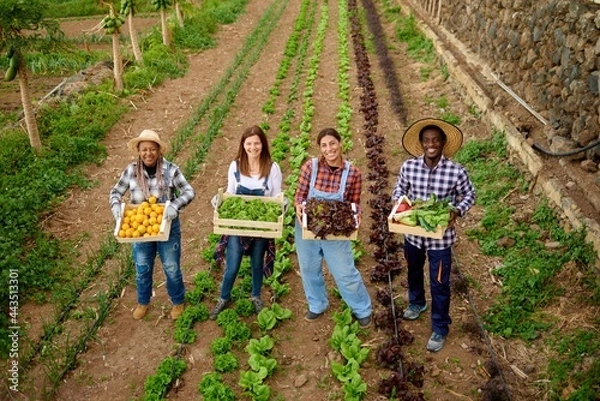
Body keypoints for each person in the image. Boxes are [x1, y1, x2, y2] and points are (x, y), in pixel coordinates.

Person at [391, 118, 475, 352]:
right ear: (421, 143)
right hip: (413, 234)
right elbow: (399, 189)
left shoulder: (456, 171)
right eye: (427, 140)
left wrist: (456, 211)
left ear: (442, 143)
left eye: (436, 140)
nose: (431, 144)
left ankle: (439, 328)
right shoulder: (409, 167)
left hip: (440, 238)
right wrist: (401, 203)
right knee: (414, 270)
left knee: (439, 283)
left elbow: (469, 195)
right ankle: (416, 303)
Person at [109, 129, 195, 320]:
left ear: (159, 151)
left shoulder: (171, 170)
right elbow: (116, 192)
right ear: (139, 151)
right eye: (144, 149)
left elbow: (189, 191)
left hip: (167, 227)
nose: (148, 153)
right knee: (142, 267)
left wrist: (175, 205)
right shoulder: (131, 170)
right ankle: (143, 301)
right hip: (140, 231)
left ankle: (178, 301)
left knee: (171, 266)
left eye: (152, 149)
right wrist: (116, 207)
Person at [294, 128, 372, 328]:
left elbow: (354, 203)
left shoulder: (352, 173)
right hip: (308, 227)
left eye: (332, 143)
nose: (329, 149)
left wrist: (356, 217)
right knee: (309, 268)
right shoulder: (310, 167)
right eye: (324, 145)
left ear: (340, 143)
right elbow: (300, 196)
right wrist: (299, 209)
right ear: (320, 148)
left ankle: (361, 308)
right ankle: (317, 304)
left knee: (344, 271)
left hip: (336, 231)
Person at [210, 125, 283, 320]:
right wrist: (219, 200)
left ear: (263, 144)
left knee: (257, 263)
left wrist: (283, 205)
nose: (253, 147)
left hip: (261, 227)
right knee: (232, 265)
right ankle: (224, 297)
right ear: (243, 145)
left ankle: (256, 296)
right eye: (249, 143)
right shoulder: (236, 166)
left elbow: (276, 197)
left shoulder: (272, 168)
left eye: (257, 143)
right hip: (238, 225)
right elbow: (230, 193)